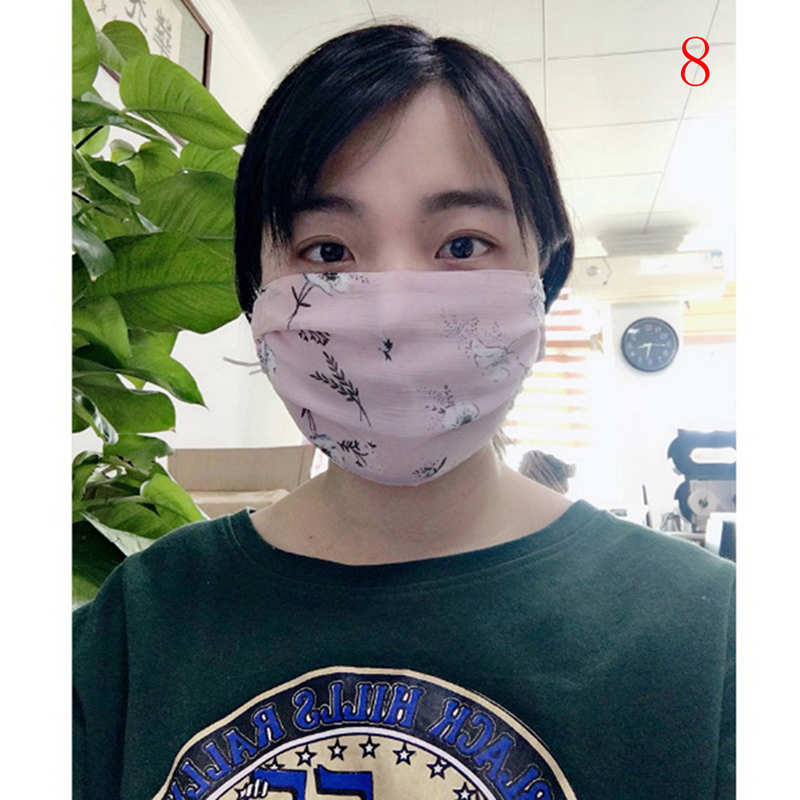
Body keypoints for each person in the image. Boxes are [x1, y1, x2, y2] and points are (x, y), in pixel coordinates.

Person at [73, 22, 735, 800]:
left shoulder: (712, 637)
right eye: (327, 251)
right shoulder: (139, 623)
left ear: (546, 277)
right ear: (255, 291)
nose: (391, 308)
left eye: (462, 245)